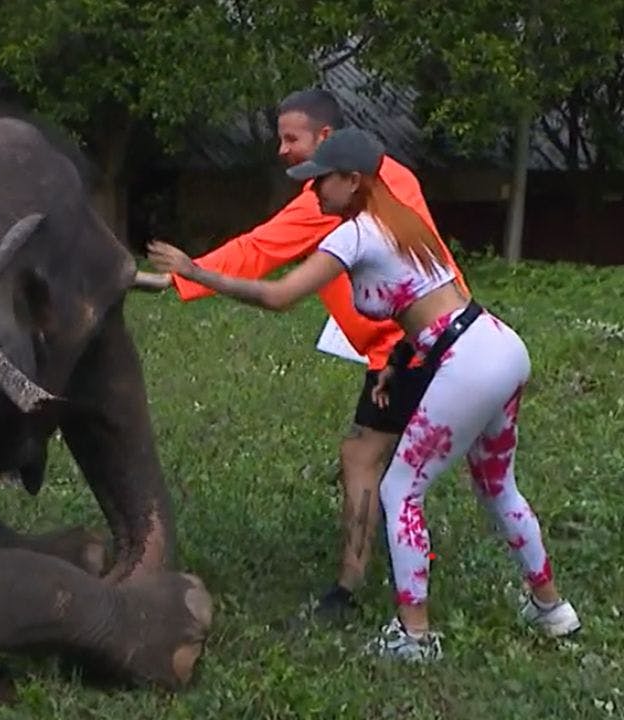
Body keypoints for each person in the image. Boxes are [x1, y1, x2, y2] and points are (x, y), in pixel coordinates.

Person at [146, 126, 581, 660]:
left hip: (465, 361)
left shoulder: (355, 235)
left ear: (352, 181)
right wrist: (397, 361)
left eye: (320, 182)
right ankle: (553, 609)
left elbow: (279, 295)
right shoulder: (403, 223)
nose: (313, 193)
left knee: (400, 490)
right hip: (495, 346)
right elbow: (426, 305)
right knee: (498, 488)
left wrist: (197, 272)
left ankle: (415, 636)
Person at [139, 88, 470, 619]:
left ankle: (356, 592)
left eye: (290, 139)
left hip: (411, 348)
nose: (282, 151)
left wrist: (183, 275)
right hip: (457, 335)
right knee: (463, 471)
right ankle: (541, 594)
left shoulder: (343, 196)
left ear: (326, 142)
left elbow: (263, 255)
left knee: (364, 459)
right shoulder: (392, 175)